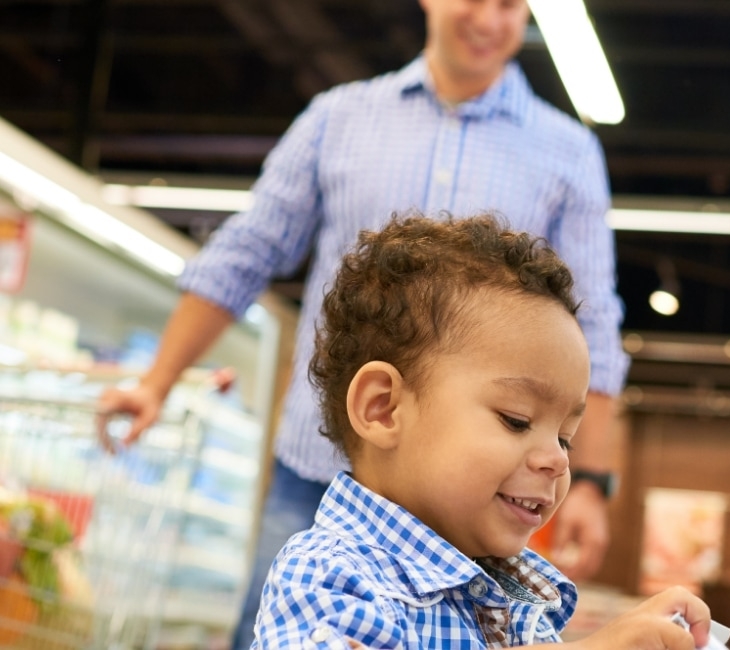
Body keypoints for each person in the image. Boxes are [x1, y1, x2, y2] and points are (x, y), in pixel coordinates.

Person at [96, 0, 628, 646]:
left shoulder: (568, 153)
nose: (492, 17)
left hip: (464, 513)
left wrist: (592, 480)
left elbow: (593, 323)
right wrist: (156, 381)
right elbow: (247, 251)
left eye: (513, 4)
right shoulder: (338, 118)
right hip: (315, 470)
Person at [252, 213, 709, 649]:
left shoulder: (515, 597)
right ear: (383, 408)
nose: (558, 459)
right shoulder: (328, 573)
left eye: (565, 437)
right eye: (517, 420)